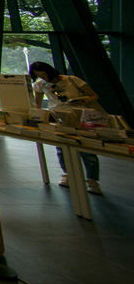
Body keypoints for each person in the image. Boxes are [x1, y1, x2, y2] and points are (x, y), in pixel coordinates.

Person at [29, 61, 104, 195]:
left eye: (44, 74)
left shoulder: (71, 80)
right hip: (59, 117)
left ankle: (92, 180)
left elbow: (94, 95)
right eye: (39, 75)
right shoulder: (40, 85)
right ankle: (68, 174)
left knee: (87, 147)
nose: (43, 77)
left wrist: (84, 100)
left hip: (81, 116)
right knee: (62, 147)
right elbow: (38, 104)